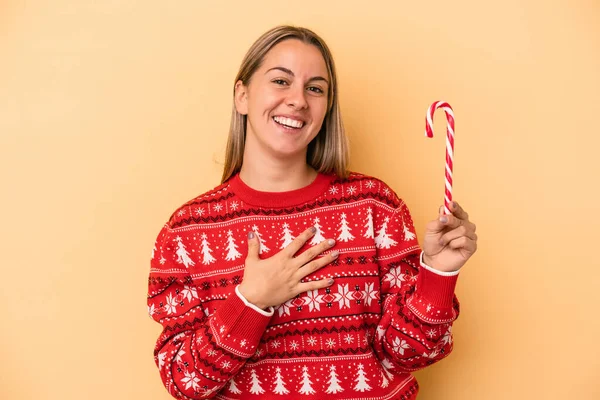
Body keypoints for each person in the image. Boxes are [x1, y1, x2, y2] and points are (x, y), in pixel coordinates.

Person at [147, 25, 478, 400]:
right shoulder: (186, 232)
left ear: (326, 108)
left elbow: (410, 354)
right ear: (242, 95)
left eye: (315, 88)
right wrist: (250, 300)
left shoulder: (374, 206)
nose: (298, 100)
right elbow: (182, 381)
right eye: (280, 81)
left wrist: (438, 273)